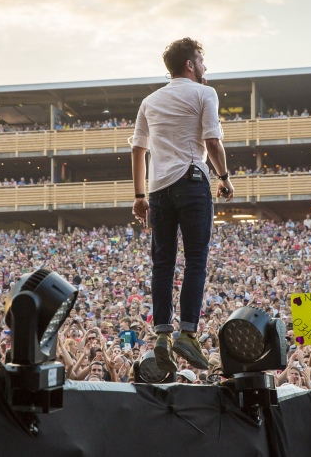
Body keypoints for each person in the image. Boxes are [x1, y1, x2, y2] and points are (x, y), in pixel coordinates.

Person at [130, 37, 234, 373]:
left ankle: (162, 335)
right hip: (191, 180)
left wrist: (140, 196)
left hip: (158, 190)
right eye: (202, 60)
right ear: (190, 64)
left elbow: (137, 150)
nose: (205, 66)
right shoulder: (205, 93)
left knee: (162, 264)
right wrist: (224, 176)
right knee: (195, 259)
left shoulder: (149, 101)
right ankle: (187, 333)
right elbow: (212, 142)